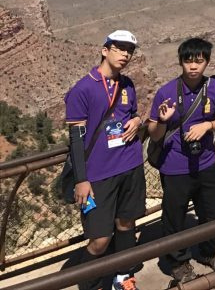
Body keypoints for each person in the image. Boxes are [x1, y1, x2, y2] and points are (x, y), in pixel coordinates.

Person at [64, 30, 145, 290]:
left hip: (130, 166)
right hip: (97, 176)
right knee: (99, 239)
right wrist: (81, 180)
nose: (125, 54)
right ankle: (88, 283)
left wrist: (137, 120)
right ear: (105, 50)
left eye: (129, 50)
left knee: (126, 224)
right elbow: (76, 139)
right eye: (119, 48)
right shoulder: (83, 89)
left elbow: (131, 114)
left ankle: (123, 275)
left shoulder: (128, 84)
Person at [147, 38, 215, 283]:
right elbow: (154, 135)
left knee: (212, 212)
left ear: (206, 62)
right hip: (174, 167)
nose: (193, 67)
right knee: (175, 216)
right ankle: (178, 262)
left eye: (199, 61)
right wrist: (163, 120)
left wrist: (208, 125)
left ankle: (208, 252)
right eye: (188, 61)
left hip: (206, 163)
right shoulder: (167, 92)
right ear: (181, 62)